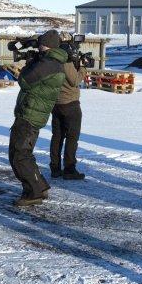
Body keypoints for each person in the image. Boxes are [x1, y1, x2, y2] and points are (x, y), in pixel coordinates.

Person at [9, 30, 67, 207]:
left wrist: (31, 63)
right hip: (33, 112)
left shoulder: (48, 63)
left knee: (19, 156)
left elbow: (25, 80)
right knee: (23, 154)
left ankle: (33, 193)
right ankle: (40, 186)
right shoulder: (53, 61)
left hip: (30, 114)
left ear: (46, 45)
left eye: (41, 44)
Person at [49, 32, 88, 180]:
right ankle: (69, 169)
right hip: (70, 103)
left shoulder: (50, 57)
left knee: (57, 136)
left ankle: (55, 168)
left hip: (56, 102)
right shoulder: (65, 59)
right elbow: (75, 80)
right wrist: (83, 67)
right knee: (72, 137)